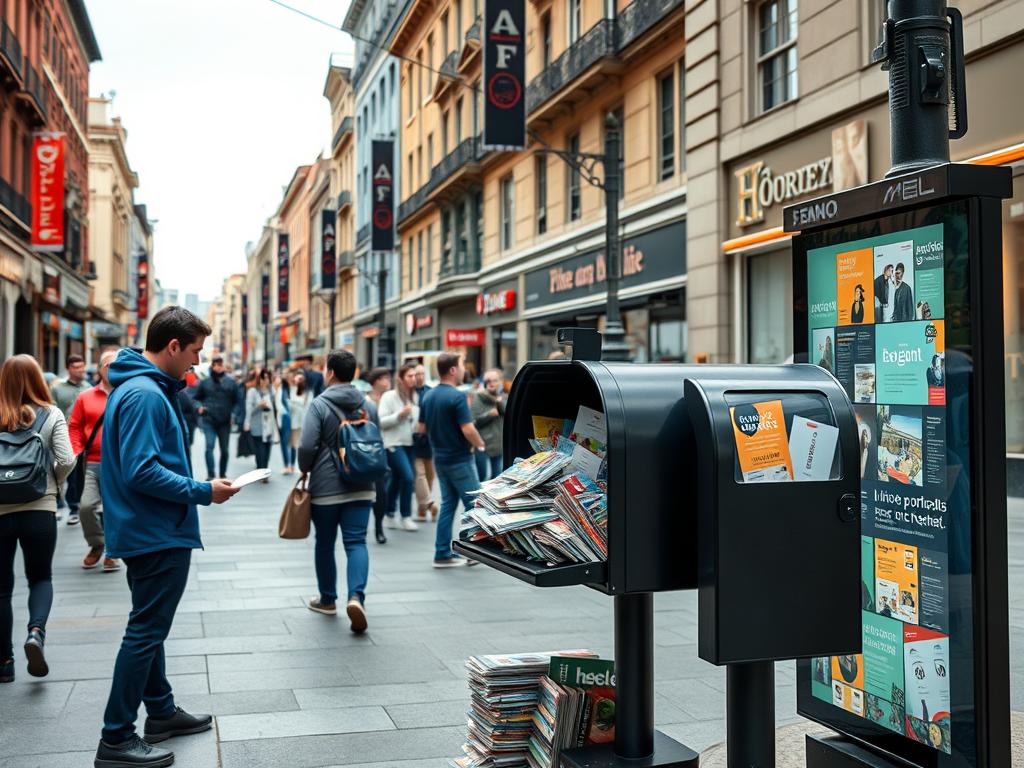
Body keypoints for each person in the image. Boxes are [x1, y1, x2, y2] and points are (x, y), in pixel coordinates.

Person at [94, 306, 239, 768]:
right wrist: (203, 491)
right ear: (173, 346)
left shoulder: (141, 387)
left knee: (149, 626)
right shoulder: (145, 394)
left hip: (149, 527)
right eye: (194, 351)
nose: (197, 361)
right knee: (145, 631)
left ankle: (160, 712)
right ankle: (116, 737)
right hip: (154, 531)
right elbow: (141, 471)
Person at [0, 355, 76, 684]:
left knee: (1, 590)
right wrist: (53, 482)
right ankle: (35, 633)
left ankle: (4, 662)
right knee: (40, 578)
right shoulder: (51, 413)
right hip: (40, 507)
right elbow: (67, 458)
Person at [297, 349, 376, 632]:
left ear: (330, 372)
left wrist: (305, 468)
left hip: (327, 487)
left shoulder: (319, 405)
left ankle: (327, 599)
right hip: (362, 483)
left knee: (325, 543)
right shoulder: (367, 404)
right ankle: (356, 597)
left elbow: (307, 445)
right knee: (356, 542)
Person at [417, 352, 486, 568]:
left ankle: (442, 553)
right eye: (462, 365)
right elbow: (468, 429)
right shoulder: (457, 396)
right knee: (473, 505)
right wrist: (480, 444)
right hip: (460, 458)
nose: (464, 369)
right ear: (453, 370)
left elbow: (421, 429)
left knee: (448, 505)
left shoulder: (428, 396)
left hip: (441, 458)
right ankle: (471, 552)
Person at [67, 349, 120, 572]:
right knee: (86, 507)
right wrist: (74, 449)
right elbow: (74, 426)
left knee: (113, 510)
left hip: (119, 464)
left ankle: (112, 553)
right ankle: (97, 544)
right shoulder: (85, 397)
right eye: (108, 365)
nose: (113, 369)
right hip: (93, 462)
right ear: (99, 369)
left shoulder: (127, 393)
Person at [379, 364, 420, 532]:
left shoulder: (416, 396)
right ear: (401, 379)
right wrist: (400, 415)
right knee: (408, 478)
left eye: (415, 375)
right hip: (393, 443)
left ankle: (388, 514)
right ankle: (405, 516)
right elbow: (381, 421)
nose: (414, 379)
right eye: (409, 376)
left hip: (410, 443)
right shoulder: (389, 396)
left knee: (397, 479)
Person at [50, 354, 90, 526]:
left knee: (77, 474)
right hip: (60, 436)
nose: (80, 370)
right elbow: (51, 411)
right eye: (76, 367)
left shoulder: (88, 388)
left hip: (81, 439)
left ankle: (74, 507)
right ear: (68, 368)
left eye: (82, 366)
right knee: (57, 470)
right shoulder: (58, 389)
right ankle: (57, 504)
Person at [192, 356, 240, 480]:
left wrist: (233, 415)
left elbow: (237, 401)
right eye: (216, 365)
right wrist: (199, 407)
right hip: (209, 420)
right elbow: (195, 399)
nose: (219, 367)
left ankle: (223, 473)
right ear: (212, 366)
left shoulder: (231, 382)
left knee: (225, 450)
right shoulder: (205, 382)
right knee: (209, 447)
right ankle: (211, 474)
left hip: (225, 421)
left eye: (221, 364)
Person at [365, 367, 393, 544]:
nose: (387, 381)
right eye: (384, 378)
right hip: (367, 451)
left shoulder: (390, 398)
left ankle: (379, 527)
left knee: (381, 491)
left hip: (384, 449)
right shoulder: (366, 402)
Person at [412, 364, 437, 522]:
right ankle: (427, 505)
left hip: (429, 440)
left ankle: (422, 508)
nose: (419, 376)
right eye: (416, 374)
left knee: (429, 475)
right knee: (419, 475)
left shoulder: (430, 391)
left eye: (422, 373)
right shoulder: (408, 392)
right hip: (414, 439)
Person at [471, 369, 506, 482]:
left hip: (498, 445)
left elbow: (506, 412)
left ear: (500, 382)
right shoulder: (478, 397)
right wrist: (489, 414)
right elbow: (474, 421)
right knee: (482, 478)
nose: (491, 383)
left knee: (496, 479)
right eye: (488, 380)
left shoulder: (503, 397)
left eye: (495, 380)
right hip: (482, 444)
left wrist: (498, 400)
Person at [244, 369, 278, 477]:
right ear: (260, 379)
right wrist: (258, 406)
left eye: (268, 378)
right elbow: (249, 409)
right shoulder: (252, 392)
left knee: (267, 449)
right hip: (257, 424)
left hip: (269, 425)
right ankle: (261, 471)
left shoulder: (272, 391)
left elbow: (277, 406)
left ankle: (264, 469)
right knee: (260, 449)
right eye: (264, 378)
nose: (266, 380)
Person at [285, 371, 311, 475]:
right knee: (292, 445)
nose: (297, 381)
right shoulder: (291, 390)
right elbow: (288, 404)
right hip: (293, 422)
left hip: (303, 423)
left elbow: (307, 407)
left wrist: (292, 402)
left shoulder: (308, 393)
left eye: (300, 379)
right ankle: (291, 465)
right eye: (296, 379)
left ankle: (302, 466)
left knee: (301, 446)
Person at [274, 370, 293, 474]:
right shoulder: (275, 391)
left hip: (285, 418)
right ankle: (286, 465)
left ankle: (288, 465)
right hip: (278, 419)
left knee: (285, 443)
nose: (276, 380)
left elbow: (284, 406)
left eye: (277, 378)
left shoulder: (283, 390)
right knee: (282, 443)